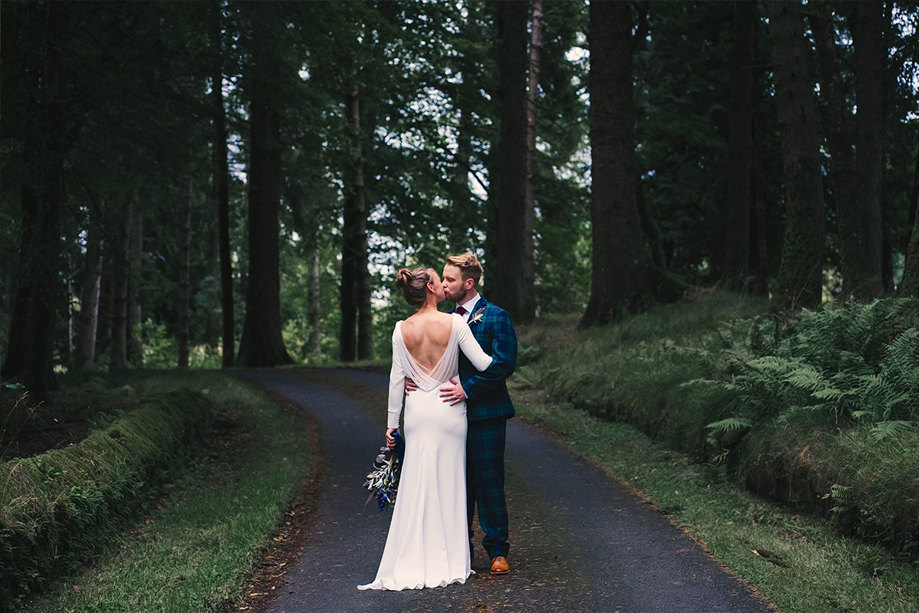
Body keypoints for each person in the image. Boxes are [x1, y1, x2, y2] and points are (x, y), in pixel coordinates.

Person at [358, 266, 494, 591]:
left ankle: (410, 558)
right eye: (439, 278)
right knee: (449, 482)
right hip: (449, 409)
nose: (444, 284)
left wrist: (392, 426)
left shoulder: (400, 329)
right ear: (431, 288)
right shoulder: (455, 323)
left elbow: (395, 380)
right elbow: (484, 364)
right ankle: (449, 560)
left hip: (416, 410)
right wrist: (463, 381)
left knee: (416, 481)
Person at [409, 252, 517, 576]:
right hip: (449, 416)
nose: (442, 284)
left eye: (450, 279)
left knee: (488, 482)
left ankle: (497, 550)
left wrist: (467, 388)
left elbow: (504, 363)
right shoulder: (443, 319)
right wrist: (413, 382)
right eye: (442, 278)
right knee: (457, 482)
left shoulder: (497, 316)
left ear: (468, 283)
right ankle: (460, 550)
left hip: (487, 413)